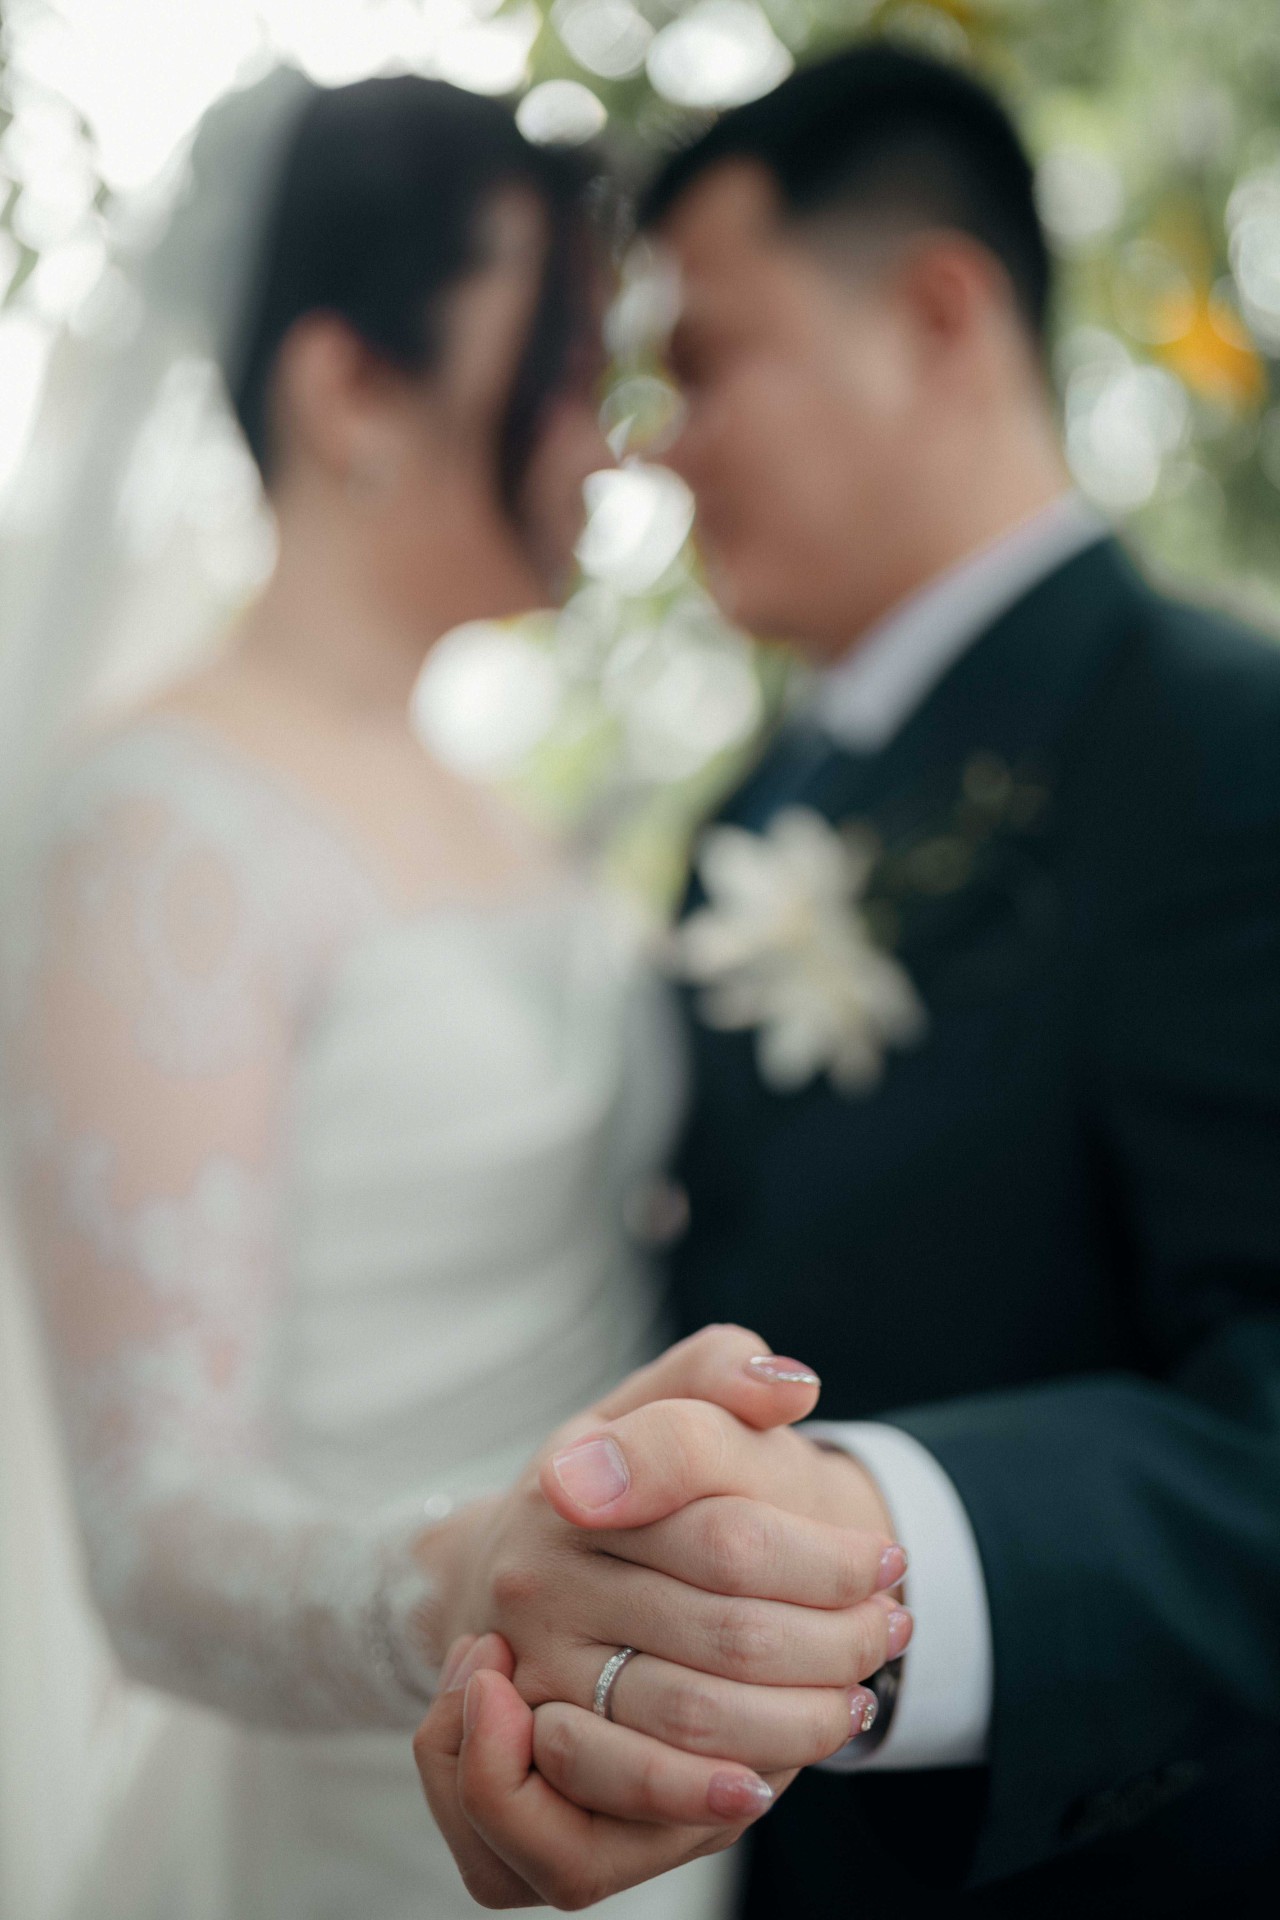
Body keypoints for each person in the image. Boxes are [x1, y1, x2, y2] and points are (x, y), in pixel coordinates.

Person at [1, 71, 907, 1920]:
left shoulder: (514, 822)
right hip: (357, 1828)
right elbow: (151, 1544)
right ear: (349, 385)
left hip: (659, 1786)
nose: (610, 445)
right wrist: (483, 1582)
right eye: (564, 366)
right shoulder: (153, 834)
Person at [419, 43, 1280, 1918]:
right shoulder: (748, 816)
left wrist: (877, 1567)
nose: (661, 441)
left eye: (710, 358)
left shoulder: (1232, 750)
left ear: (937, 316)